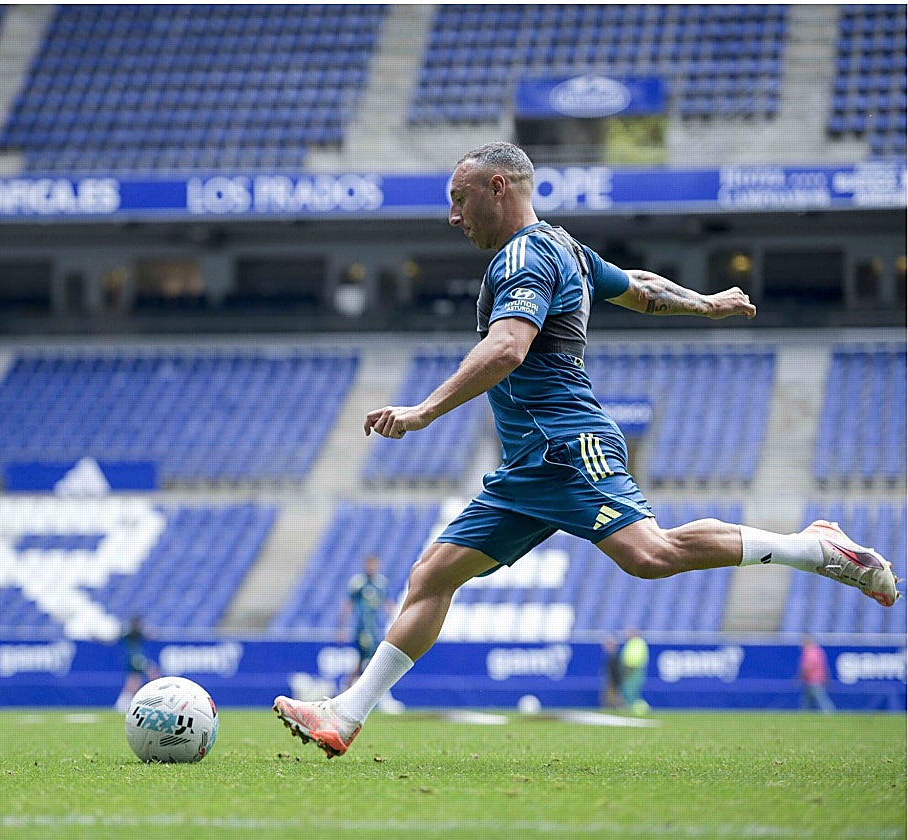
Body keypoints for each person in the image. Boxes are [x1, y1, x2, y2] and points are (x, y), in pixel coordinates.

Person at [273, 141, 900, 758]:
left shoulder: (522, 257)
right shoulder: (563, 246)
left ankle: (816, 548)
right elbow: (639, 286)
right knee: (431, 577)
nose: (453, 217)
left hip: (567, 446)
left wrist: (423, 411)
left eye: (460, 200)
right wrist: (705, 302)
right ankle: (346, 714)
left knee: (651, 555)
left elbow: (507, 349)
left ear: (499, 187)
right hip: (528, 465)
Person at [337, 555, 404, 712]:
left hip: (375, 628)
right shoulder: (358, 582)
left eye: (375, 564)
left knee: (361, 664)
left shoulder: (381, 583)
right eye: (370, 564)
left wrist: (395, 619)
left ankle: (344, 693)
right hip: (362, 629)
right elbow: (348, 604)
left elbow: (387, 603)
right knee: (375, 661)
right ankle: (382, 696)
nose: (372, 567)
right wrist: (341, 627)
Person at [114, 615, 161, 713]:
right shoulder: (131, 633)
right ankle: (157, 698)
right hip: (135, 659)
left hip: (135, 658)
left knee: (134, 680)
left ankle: (124, 702)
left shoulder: (134, 633)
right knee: (149, 675)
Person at [798, 635, 835, 713]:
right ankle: (803, 713)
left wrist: (801, 676)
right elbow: (824, 666)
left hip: (813, 680)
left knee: (821, 698)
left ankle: (830, 712)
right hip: (818, 679)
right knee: (807, 699)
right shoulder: (819, 651)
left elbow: (808, 666)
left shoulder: (809, 652)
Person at [619, 630, 649, 713]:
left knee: (631, 691)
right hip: (628, 670)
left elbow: (634, 657)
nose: (627, 634)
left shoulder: (638, 642)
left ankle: (641, 709)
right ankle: (631, 709)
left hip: (635, 670)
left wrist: (629, 666)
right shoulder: (631, 643)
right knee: (627, 691)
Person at [600, 635, 623, 710]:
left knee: (613, 698)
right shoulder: (611, 656)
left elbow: (616, 671)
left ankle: (619, 709)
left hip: (614, 682)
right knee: (611, 698)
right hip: (613, 681)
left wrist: (615, 682)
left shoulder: (614, 657)